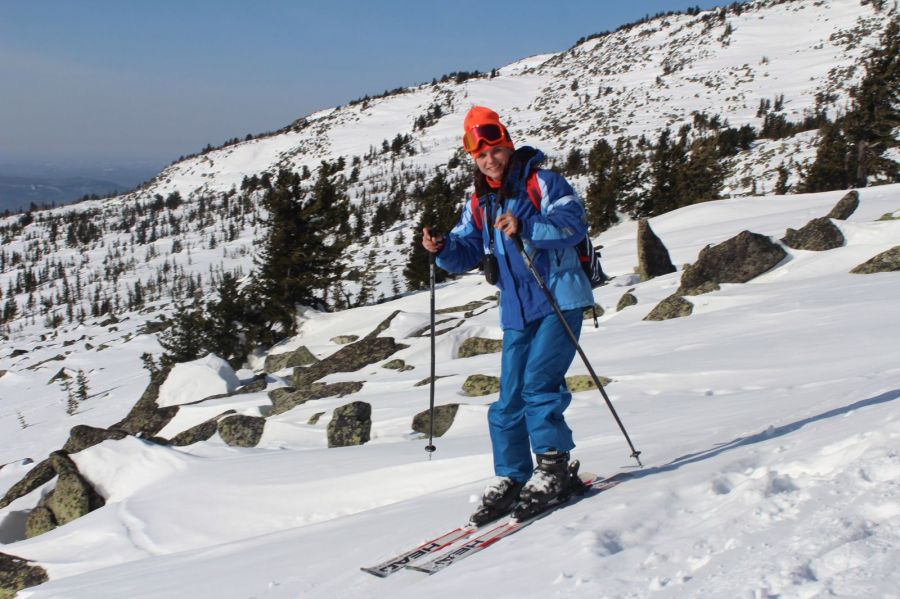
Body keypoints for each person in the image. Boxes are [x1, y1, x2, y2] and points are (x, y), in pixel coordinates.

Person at [421, 106, 595, 523]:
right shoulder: (479, 203)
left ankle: (553, 468)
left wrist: (527, 226)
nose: (489, 159)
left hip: (559, 299)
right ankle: (513, 476)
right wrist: (442, 247)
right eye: (480, 155)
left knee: (538, 384)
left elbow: (574, 223)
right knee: (508, 397)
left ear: (508, 147)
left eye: (495, 150)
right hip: (517, 309)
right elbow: (465, 250)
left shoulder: (544, 183)